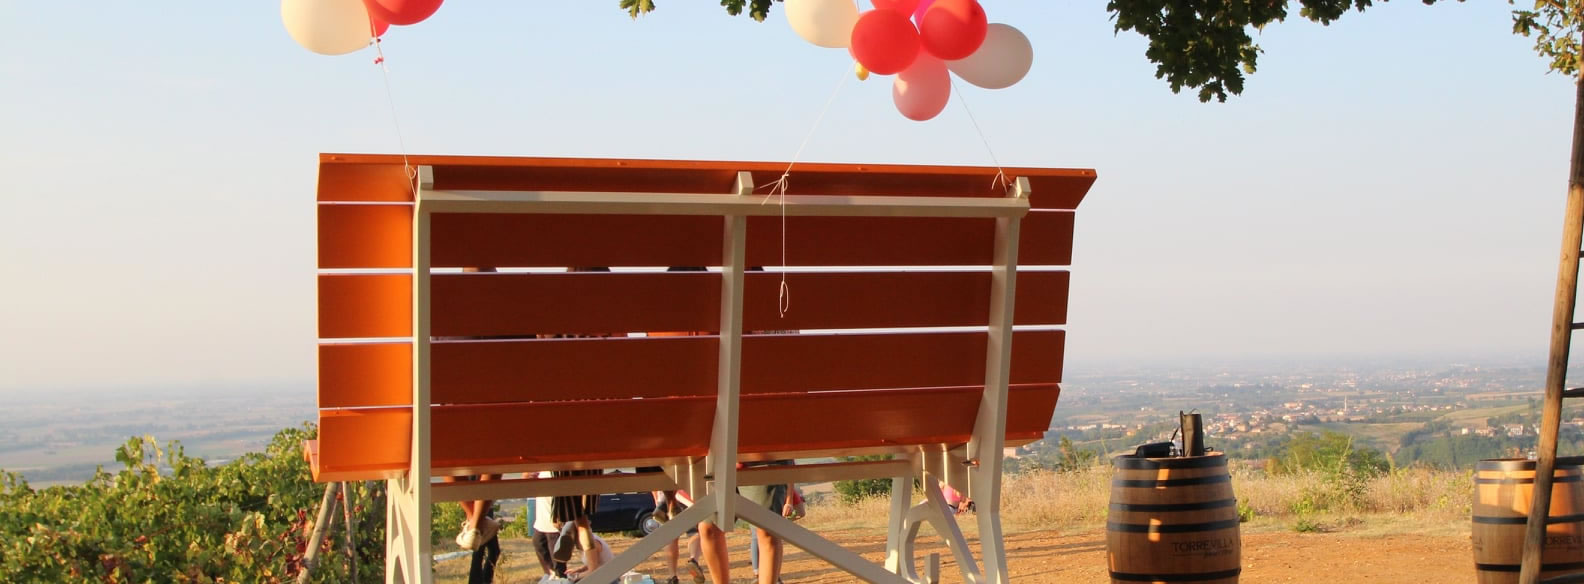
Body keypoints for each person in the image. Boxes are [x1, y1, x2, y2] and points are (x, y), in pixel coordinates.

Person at [532, 471, 570, 579]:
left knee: (556, 558)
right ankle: (552, 573)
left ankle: (560, 578)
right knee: (538, 544)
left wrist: (559, 515)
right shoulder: (541, 472)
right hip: (541, 520)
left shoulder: (556, 472)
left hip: (553, 523)